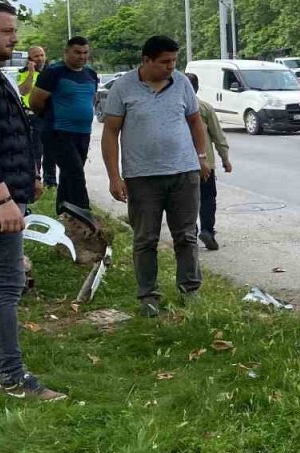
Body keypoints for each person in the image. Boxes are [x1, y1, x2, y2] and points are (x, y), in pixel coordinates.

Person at [101, 36, 210, 318]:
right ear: (146, 60)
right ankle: (148, 295)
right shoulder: (123, 87)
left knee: (186, 235)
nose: (170, 67)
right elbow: (110, 133)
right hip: (142, 178)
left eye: (174, 61)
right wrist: (115, 177)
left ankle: (190, 289)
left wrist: (201, 158)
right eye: (164, 62)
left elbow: (195, 121)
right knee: (145, 238)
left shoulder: (182, 83)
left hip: (184, 174)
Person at [0, 1, 63, 400]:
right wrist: (2, 196)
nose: (15, 37)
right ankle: (13, 376)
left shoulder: (0, 76)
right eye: (6, 31)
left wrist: (31, 177)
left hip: (10, 192)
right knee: (6, 285)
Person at [30, 37, 99, 214]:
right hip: (58, 132)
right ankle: (85, 214)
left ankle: (65, 214)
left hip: (83, 133)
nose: (82, 56)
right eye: (77, 52)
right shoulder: (53, 73)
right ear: (66, 52)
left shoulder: (91, 74)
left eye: (85, 52)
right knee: (75, 173)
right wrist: (50, 119)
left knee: (69, 175)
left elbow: (89, 99)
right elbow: (35, 102)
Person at [185, 72, 231, 251]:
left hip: (181, 166)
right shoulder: (204, 108)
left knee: (186, 201)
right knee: (207, 198)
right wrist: (225, 159)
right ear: (196, 89)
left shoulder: (173, 108)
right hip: (205, 164)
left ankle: (190, 232)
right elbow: (218, 136)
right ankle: (207, 230)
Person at [16, 46, 56, 187]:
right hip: (33, 116)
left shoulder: (51, 72)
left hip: (49, 115)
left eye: (42, 55)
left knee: (50, 149)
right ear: (30, 59)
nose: (40, 58)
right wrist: (31, 72)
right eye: (36, 56)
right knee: (36, 150)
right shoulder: (23, 73)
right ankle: (35, 178)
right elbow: (23, 91)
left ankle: (50, 181)